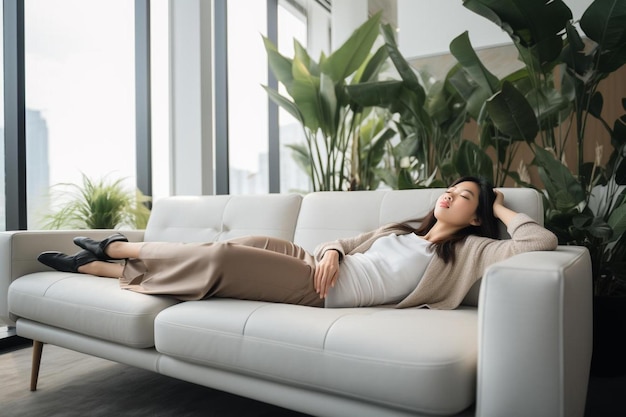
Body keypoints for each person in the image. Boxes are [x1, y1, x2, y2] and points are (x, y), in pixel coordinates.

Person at [37, 176, 558, 310]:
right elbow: (345, 240)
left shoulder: (471, 251)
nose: (449, 195)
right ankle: (91, 269)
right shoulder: (405, 227)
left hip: (322, 289)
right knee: (247, 240)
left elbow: (539, 242)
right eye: (449, 189)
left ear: (475, 217)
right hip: (319, 263)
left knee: (220, 257)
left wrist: (503, 207)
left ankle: (114, 250)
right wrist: (332, 249)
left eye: (464, 196)